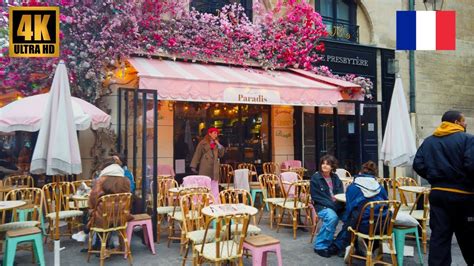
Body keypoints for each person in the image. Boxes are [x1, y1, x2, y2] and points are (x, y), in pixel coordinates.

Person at [413, 110, 474, 266]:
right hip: (463, 196)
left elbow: (418, 165)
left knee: (440, 237)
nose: (465, 123)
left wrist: (435, 178)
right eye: (463, 120)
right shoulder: (468, 139)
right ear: (456, 122)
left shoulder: (428, 141)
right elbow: (471, 165)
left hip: (438, 194)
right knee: (469, 235)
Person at [330, 161, 388, 257]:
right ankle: (368, 246)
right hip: (383, 226)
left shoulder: (353, 187)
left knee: (349, 218)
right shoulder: (380, 188)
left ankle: (342, 246)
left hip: (363, 226)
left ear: (360, 173)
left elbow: (349, 210)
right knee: (358, 216)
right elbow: (387, 204)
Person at [72, 161, 132, 243]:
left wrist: (92, 208)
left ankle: (95, 241)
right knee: (103, 212)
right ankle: (104, 242)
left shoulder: (102, 180)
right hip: (121, 217)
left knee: (90, 213)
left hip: (103, 218)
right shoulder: (126, 181)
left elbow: (93, 199)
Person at [310, 155, 344, 257]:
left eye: (327, 164)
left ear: (332, 166)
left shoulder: (335, 177)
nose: (324, 166)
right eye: (323, 163)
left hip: (336, 205)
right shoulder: (315, 178)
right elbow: (317, 197)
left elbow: (340, 192)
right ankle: (320, 246)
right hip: (322, 206)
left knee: (352, 216)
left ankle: (340, 243)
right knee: (332, 217)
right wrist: (333, 205)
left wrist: (338, 204)